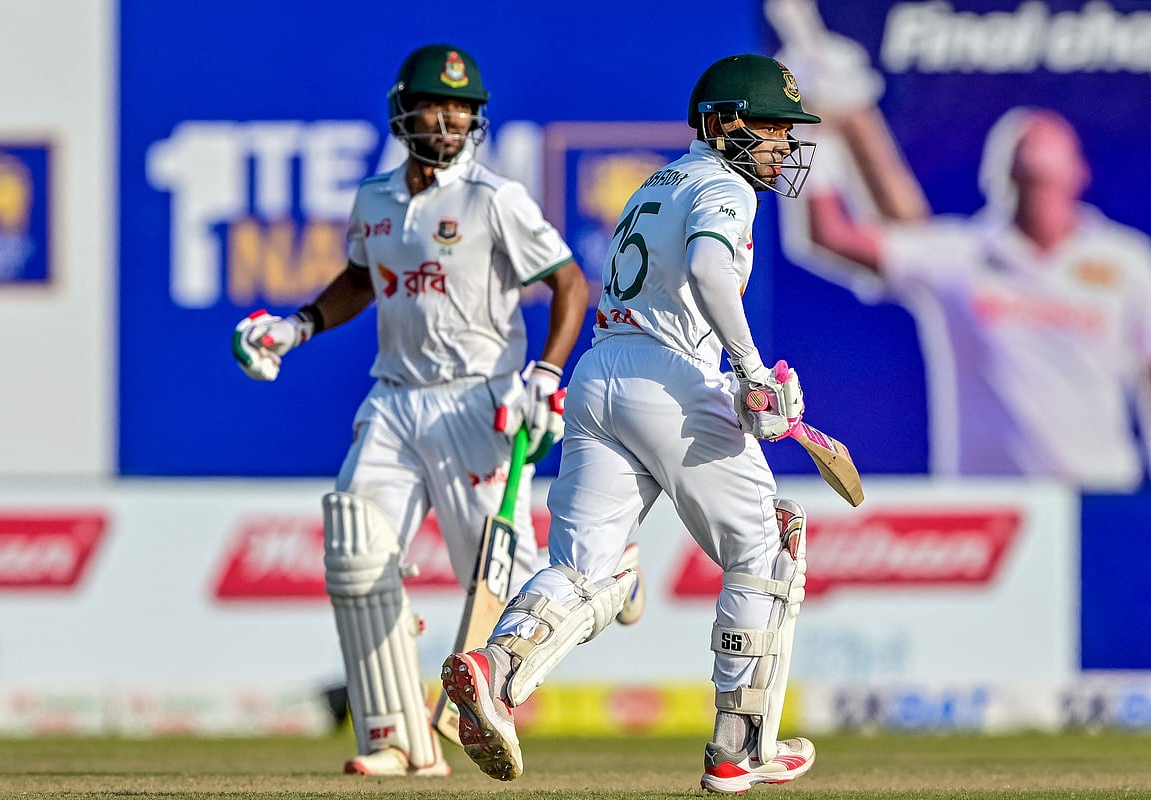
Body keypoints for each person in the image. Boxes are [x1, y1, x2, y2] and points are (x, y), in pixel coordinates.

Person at [230, 43, 640, 777]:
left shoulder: (493, 199)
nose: (449, 119)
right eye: (435, 104)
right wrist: (296, 327)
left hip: (478, 402)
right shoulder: (376, 198)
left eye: (463, 109)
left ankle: (611, 579)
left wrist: (545, 375)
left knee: (508, 592)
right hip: (393, 400)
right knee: (356, 552)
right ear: (402, 111)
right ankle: (397, 740)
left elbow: (573, 284)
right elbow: (362, 279)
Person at [440, 53, 821, 790]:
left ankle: (495, 666)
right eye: (771, 126)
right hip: (669, 383)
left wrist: (736, 377)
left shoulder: (658, 181)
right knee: (768, 546)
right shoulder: (723, 184)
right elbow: (710, 273)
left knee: (584, 569)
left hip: (599, 375)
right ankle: (741, 748)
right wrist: (748, 372)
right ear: (723, 124)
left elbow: (669, 294)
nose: (781, 145)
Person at [776, 32, 1151, 490]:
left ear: (1081, 172)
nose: (1030, 144)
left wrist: (847, 118)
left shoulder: (1126, 263)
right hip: (989, 508)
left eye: (1049, 147)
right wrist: (808, 125)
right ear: (995, 176)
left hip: (1103, 499)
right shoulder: (959, 256)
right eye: (1019, 152)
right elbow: (831, 235)